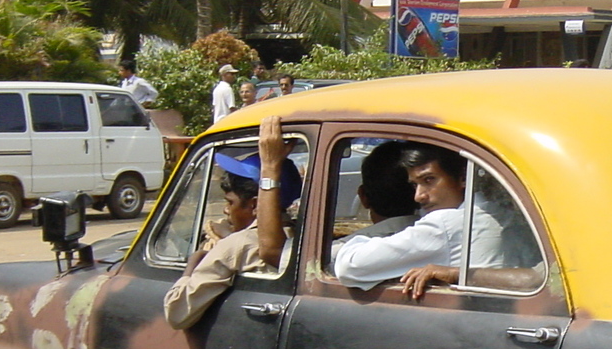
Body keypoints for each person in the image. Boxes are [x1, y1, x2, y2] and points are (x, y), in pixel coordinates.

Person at [163, 115, 300, 330]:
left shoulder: (236, 245)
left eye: (230, 202)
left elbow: (176, 313)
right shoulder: (298, 236)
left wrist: (195, 261)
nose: (226, 210)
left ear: (255, 205)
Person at [331, 144, 500, 288]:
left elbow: (350, 265)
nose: (418, 196)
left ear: (463, 178)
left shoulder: (445, 225)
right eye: (414, 185)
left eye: (429, 180)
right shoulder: (500, 212)